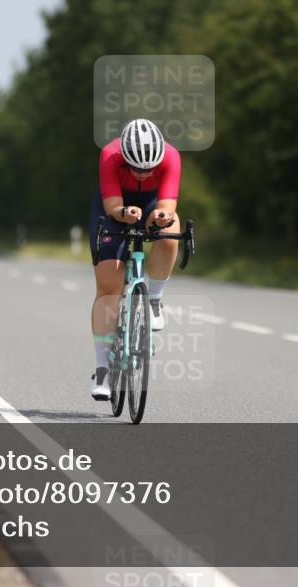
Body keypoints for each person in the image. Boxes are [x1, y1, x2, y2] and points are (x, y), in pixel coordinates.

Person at [88, 118, 181, 401]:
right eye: (136, 168)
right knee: (108, 289)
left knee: (171, 231)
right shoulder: (110, 154)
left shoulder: (171, 156)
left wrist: (162, 217)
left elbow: (167, 204)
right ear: (125, 157)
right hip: (114, 206)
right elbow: (112, 205)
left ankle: (154, 299)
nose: (143, 173)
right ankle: (102, 370)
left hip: (152, 202)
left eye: (149, 168)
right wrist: (122, 213)